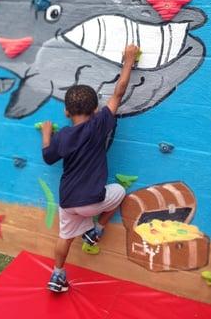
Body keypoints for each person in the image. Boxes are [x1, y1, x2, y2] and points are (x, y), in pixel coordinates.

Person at [41, 44, 138, 292]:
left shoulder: (62, 135)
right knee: (119, 192)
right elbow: (118, 93)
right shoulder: (99, 124)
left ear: (65, 112)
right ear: (95, 110)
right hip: (93, 202)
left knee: (65, 237)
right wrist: (128, 62)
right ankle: (96, 231)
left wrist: (46, 135)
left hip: (68, 201)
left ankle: (57, 275)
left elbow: (48, 157)